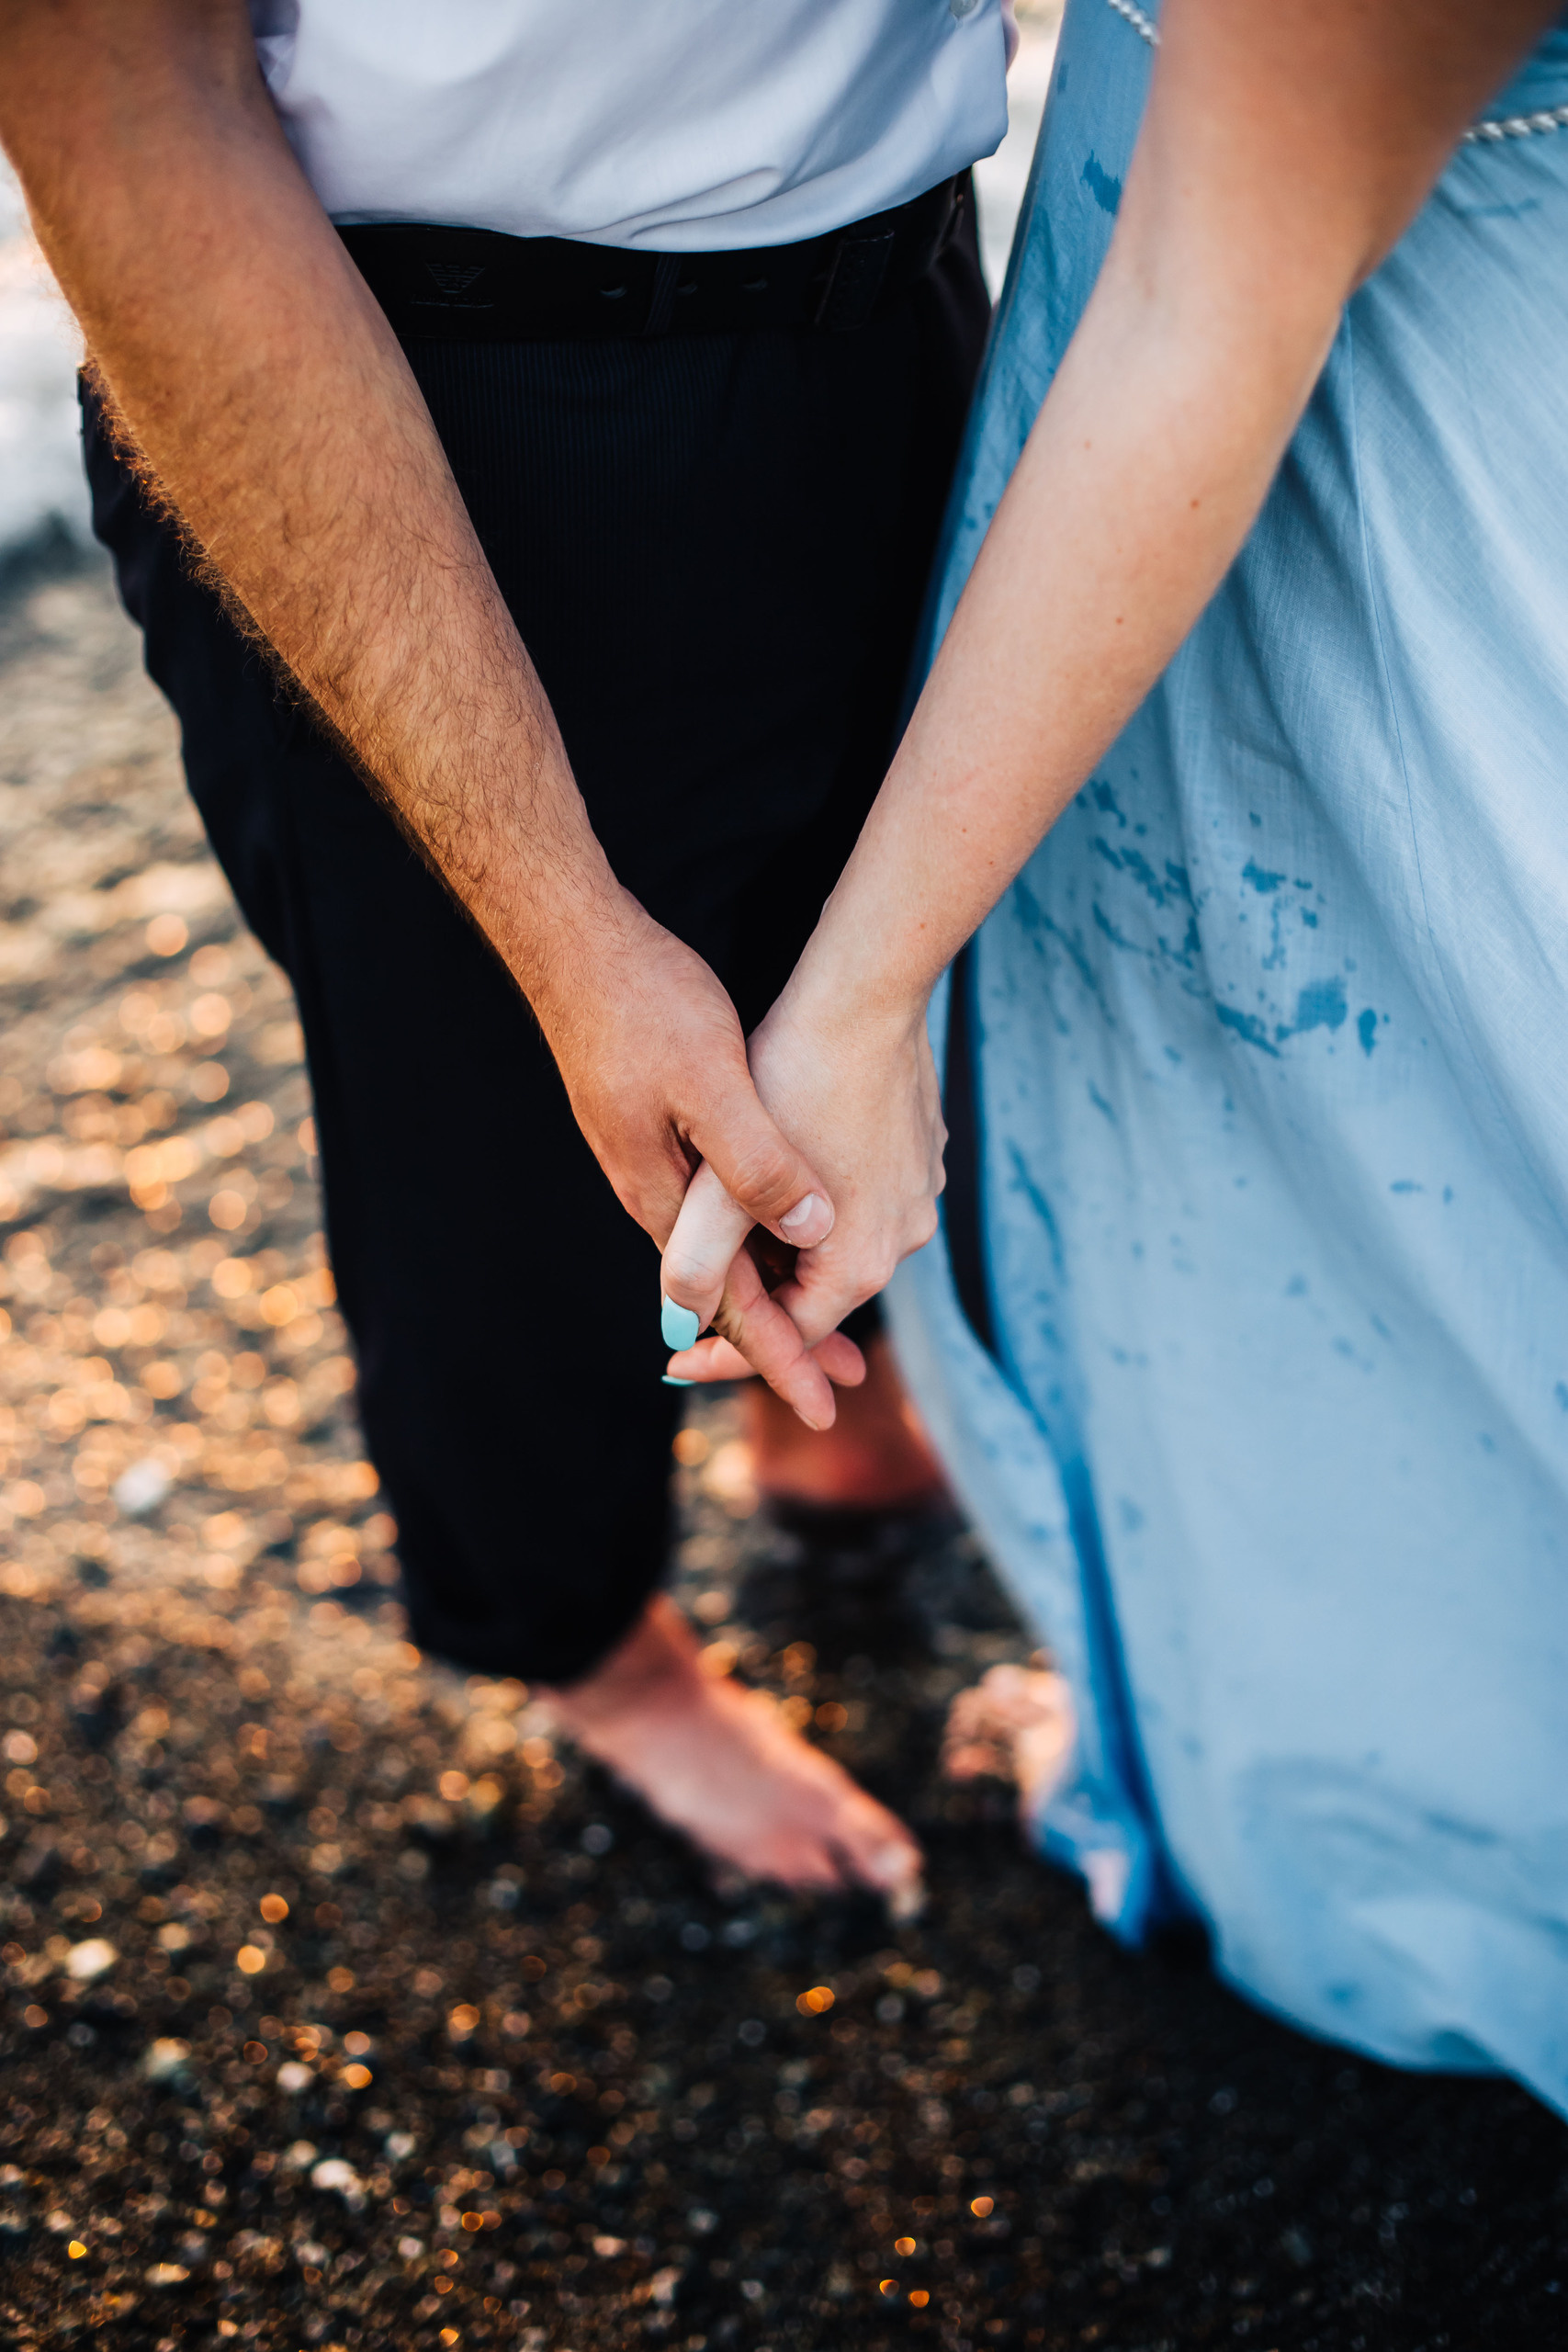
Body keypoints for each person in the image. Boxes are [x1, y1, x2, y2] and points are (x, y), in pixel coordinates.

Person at [0, 0, 1016, 1903]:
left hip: (900, 300)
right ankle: (588, 1643)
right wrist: (564, 927)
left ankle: (824, 1393)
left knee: (851, 988)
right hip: (406, 394)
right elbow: (119, 114)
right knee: (495, 1130)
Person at [661, 0, 1568, 2115]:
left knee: (1398, 1143)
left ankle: (1407, 1818)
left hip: (1351, 450)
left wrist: (865, 990)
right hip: (1241, 362)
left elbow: (1207, 305)